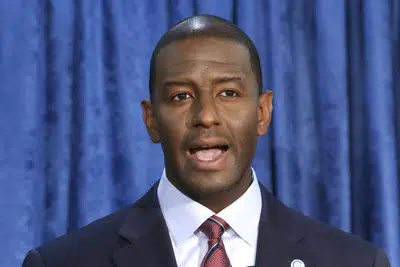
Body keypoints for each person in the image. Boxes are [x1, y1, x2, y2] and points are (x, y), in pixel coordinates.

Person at [22, 14, 391, 267]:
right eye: (181, 96)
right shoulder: (65, 261)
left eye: (228, 93)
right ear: (151, 120)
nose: (206, 116)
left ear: (263, 112)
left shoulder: (353, 261)